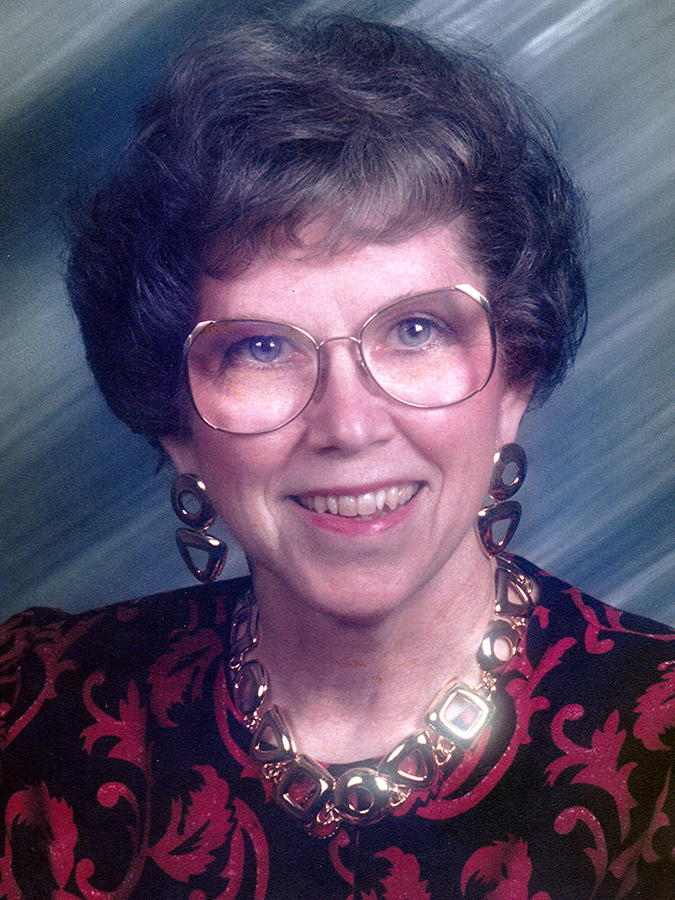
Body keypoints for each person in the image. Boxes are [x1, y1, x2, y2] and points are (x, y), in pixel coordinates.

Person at [1, 14, 674, 899]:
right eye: (260, 349)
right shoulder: (31, 713)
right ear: (174, 420)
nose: (349, 425)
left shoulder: (656, 748)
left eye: (415, 330)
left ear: (513, 379)